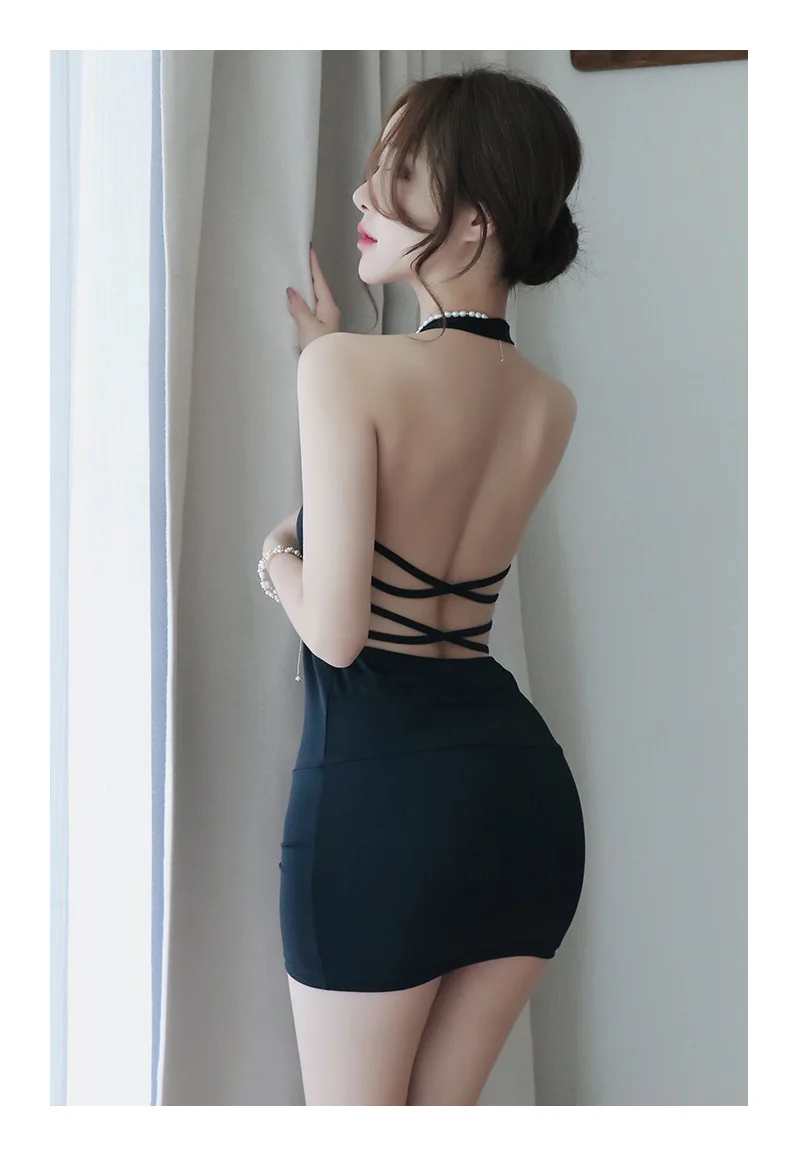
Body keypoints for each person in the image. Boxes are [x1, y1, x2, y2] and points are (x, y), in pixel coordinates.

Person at [263, 64, 586, 1106]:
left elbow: (339, 635)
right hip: (519, 804)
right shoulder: (548, 402)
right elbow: (437, 465)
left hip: (382, 804)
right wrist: (337, 357)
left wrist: (276, 560)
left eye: (398, 176)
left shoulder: (346, 373)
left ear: (476, 221)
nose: (365, 193)